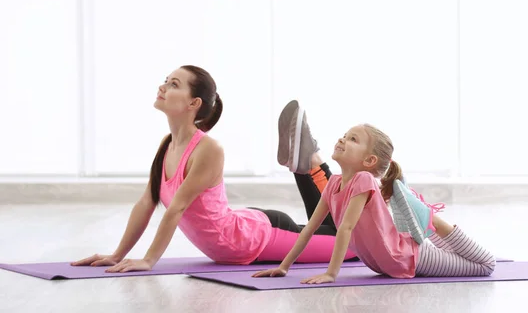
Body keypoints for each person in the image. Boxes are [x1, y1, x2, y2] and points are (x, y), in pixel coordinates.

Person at [71, 68, 355, 273]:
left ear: (193, 103)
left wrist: (148, 260)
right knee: (330, 230)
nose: (163, 87)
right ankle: (307, 165)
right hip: (243, 229)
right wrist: (117, 254)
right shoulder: (167, 145)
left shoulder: (208, 149)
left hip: (254, 241)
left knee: (354, 246)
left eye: (173, 84)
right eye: (165, 81)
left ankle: (312, 165)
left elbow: (176, 209)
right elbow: (147, 202)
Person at [253, 101, 496, 283]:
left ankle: (430, 220)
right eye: (345, 135)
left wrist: (331, 274)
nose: (342, 139)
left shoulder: (364, 180)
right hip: (391, 261)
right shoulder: (335, 184)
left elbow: (346, 228)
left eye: (353, 139)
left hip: (410, 256)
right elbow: (309, 229)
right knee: (473, 261)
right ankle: (426, 221)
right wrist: (284, 266)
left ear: (369, 160)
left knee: (486, 264)